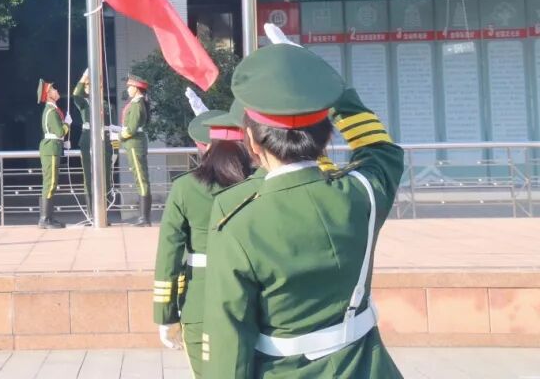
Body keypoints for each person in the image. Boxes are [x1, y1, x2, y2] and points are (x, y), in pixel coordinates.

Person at [202, 39, 405, 379]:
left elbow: (228, 341)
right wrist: (329, 86)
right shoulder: (364, 193)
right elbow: (381, 150)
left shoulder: (238, 222)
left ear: (252, 141)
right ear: (326, 137)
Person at [155, 103, 252, 378]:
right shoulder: (260, 184)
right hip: (254, 298)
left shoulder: (185, 187)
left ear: (202, 145)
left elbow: (169, 255)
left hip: (202, 300)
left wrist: (165, 314)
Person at [71, 69, 114, 217]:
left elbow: (109, 126)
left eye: (98, 85)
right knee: (89, 178)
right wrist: (84, 77)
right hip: (88, 139)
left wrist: (114, 146)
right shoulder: (84, 102)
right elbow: (76, 95)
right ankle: (91, 214)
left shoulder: (105, 104)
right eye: (89, 85)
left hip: (104, 141)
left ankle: (104, 214)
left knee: (106, 177)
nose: (94, 87)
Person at [37, 78, 70, 229]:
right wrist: (67, 124)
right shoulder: (51, 112)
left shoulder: (53, 110)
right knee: (49, 183)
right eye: (53, 89)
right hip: (50, 149)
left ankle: (49, 217)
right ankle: (44, 219)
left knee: (52, 183)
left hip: (53, 148)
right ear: (48, 95)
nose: (56, 91)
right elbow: (59, 131)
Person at [121, 75, 153, 226]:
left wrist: (118, 136)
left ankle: (144, 218)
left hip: (134, 143)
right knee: (141, 178)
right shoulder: (138, 103)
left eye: (130, 87)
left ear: (136, 88)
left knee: (140, 178)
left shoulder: (136, 105)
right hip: (136, 143)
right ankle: (143, 217)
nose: (128, 89)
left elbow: (131, 129)